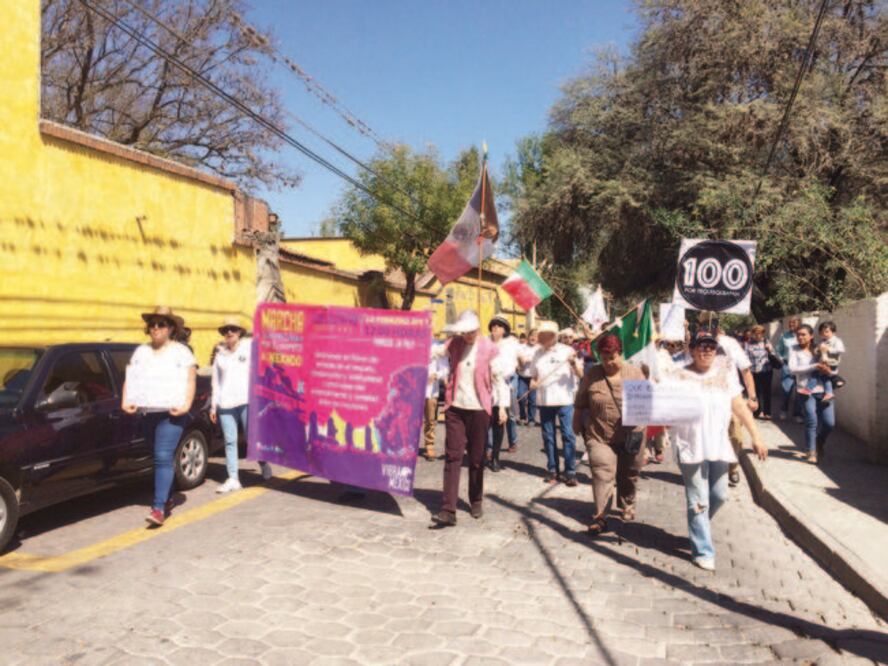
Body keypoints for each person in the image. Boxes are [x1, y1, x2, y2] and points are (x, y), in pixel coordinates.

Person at [669, 329, 768, 571]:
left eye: (711, 347)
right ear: (691, 350)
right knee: (698, 498)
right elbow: (661, 403)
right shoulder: (678, 375)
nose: (706, 350)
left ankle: (698, 524)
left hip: (718, 444)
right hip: (690, 444)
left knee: (719, 495)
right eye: (701, 346)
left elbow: (739, 406)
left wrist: (756, 436)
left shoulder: (725, 374)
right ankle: (703, 551)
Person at [122, 306, 196, 527]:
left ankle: (158, 508)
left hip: (171, 413)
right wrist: (126, 400)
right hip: (147, 413)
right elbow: (131, 377)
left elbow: (191, 379)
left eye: (161, 324)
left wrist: (186, 405)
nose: (155, 328)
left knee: (162, 456)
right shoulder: (141, 351)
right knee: (160, 457)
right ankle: (168, 496)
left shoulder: (181, 352)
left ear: (171, 328)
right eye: (152, 324)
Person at [572, 334, 647, 535]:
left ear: (620, 354)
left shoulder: (635, 374)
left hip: (631, 435)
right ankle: (601, 517)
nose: (608, 363)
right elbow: (581, 401)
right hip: (599, 434)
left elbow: (645, 408)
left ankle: (627, 503)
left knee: (628, 473)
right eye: (604, 358)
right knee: (602, 471)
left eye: (612, 358)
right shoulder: (592, 374)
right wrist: (576, 419)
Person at [432, 310, 498, 527]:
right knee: (453, 456)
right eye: (465, 332)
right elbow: (436, 352)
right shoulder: (455, 343)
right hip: (455, 408)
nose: (468, 335)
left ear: (478, 329)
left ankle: (476, 499)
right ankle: (448, 509)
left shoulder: (489, 347)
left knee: (477, 458)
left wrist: (502, 407)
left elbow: (499, 377)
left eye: (471, 331)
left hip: (479, 409)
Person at [210, 317, 271, 492]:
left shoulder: (249, 347)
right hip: (225, 403)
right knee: (230, 441)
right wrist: (214, 405)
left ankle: (263, 463)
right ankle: (233, 478)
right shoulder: (220, 354)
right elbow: (216, 381)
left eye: (233, 329)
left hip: (247, 401)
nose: (229, 332)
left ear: (240, 332)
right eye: (226, 330)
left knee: (251, 439)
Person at [697, 312, 757, 488]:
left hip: (732, 398)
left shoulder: (731, 343)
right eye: (704, 324)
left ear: (718, 325)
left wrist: (752, 396)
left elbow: (745, 370)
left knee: (735, 435)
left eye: (712, 323)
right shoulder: (696, 344)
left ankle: (732, 467)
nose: (709, 327)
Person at [531, 321, 584, 485]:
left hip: (565, 400)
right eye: (542, 335)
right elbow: (534, 376)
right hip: (544, 401)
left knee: (568, 435)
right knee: (548, 436)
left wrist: (573, 363)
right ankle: (552, 469)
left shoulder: (567, 351)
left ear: (554, 336)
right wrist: (533, 383)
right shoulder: (537, 353)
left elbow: (581, 374)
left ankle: (570, 471)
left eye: (548, 334)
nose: (544, 337)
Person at [789, 324, 835, 463]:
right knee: (811, 421)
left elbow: (832, 366)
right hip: (805, 391)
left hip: (824, 391)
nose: (800, 337)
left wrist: (828, 370)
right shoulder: (794, 349)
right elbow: (793, 369)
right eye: (798, 334)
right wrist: (814, 366)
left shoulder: (820, 348)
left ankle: (819, 442)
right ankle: (811, 451)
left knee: (829, 423)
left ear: (811, 336)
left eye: (803, 334)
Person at [487, 314, 519, 469]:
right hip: (483, 388)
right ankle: (484, 451)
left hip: (501, 387)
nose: (495, 328)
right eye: (493, 325)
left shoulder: (509, 345)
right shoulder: (484, 343)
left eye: (499, 326)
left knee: (499, 423)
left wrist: (498, 372)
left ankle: (495, 457)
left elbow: (511, 367)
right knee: (481, 424)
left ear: (504, 330)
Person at [798, 321, 845, 402]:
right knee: (824, 377)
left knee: (816, 374)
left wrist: (829, 349)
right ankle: (829, 392)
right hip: (824, 362)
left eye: (827, 331)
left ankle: (808, 389)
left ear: (833, 332)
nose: (824, 334)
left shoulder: (836, 341)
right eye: (822, 332)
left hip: (831, 363)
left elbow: (841, 350)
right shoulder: (823, 341)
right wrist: (817, 351)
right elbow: (819, 351)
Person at [422, 333, 450, 461]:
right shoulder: (411, 342)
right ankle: (408, 445)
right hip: (413, 389)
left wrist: (436, 375)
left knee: (430, 419)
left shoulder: (438, 346)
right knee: (410, 420)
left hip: (430, 390)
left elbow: (445, 369)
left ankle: (429, 444)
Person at [744, 325, 774, 420]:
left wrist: (770, 350)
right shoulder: (748, 344)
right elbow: (745, 357)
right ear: (752, 334)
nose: (757, 335)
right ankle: (757, 411)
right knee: (756, 392)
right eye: (755, 333)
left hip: (766, 370)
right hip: (754, 371)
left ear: (763, 334)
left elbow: (774, 354)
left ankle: (767, 412)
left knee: (767, 392)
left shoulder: (766, 342)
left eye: (760, 333)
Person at [777, 316, 803, 422]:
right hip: (788, 366)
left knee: (799, 391)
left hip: (802, 366)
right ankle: (783, 410)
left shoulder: (803, 335)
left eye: (794, 322)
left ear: (799, 323)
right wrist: (782, 360)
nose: (791, 324)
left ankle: (797, 414)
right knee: (786, 390)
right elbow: (778, 349)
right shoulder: (784, 336)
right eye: (790, 323)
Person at [517, 329, 538, 426]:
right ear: (528, 337)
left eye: (535, 336)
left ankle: (531, 419)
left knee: (532, 400)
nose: (533, 338)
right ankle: (522, 416)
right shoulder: (522, 347)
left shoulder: (539, 349)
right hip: (522, 376)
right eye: (531, 335)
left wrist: (527, 359)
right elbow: (520, 360)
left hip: (534, 376)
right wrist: (522, 361)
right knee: (521, 397)